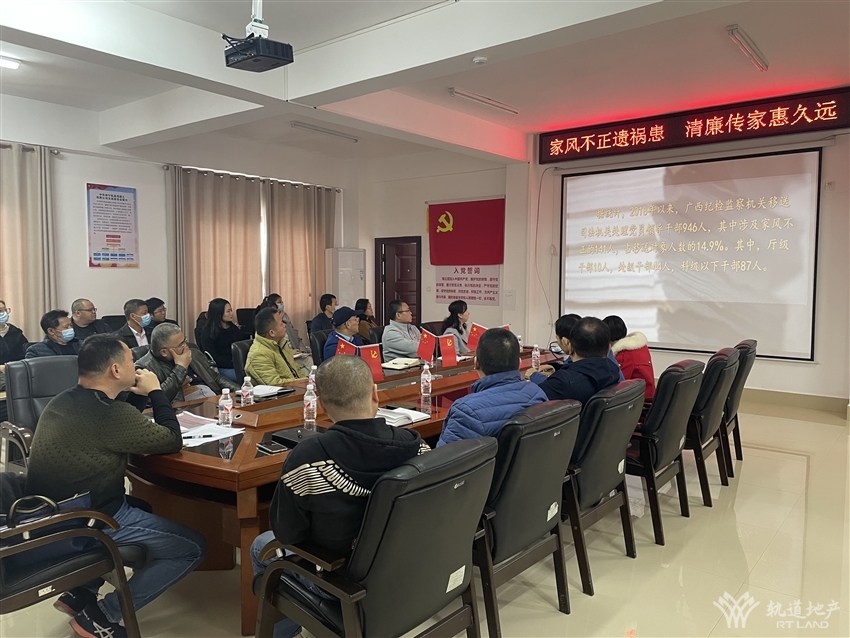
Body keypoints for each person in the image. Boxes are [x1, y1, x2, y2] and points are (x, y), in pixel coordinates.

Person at [24, 334, 206, 638]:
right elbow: (171, 439)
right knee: (193, 547)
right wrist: (156, 391)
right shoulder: (108, 414)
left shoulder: (64, 399)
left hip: (51, 512)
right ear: (116, 370)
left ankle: (80, 592)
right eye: (131, 360)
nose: (137, 365)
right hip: (85, 519)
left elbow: (121, 422)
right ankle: (102, 616)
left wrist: (138, 394)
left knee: (143, 505)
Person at [250, 355, 429, 638]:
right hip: (409, 570)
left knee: (261, 545)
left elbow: (287, 534)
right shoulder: (417, 447)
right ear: (374, 393)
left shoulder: (307, 458)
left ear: (321, 404)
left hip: (341, 583)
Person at [437, 328, 547, 447]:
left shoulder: (466, 412)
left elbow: (444, 458)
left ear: (476, 363)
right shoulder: (538, 394)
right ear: (519, 363)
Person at [526, 316, 621, 404]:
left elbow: (530, 398)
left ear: (570, 347)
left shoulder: (565, 382)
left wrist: (534, 375)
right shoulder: (613, 370)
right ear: (609, 349)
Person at [136, 323, 239, 402]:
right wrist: (180, 367)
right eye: (181, 345)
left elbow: (214, 377)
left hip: (214, 400)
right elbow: (158, 398)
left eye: (185, 341)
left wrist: (240, 391)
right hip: (183, 409)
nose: (186, 347)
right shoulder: (143, 368)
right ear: (164, 352)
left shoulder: (192, 352)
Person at [245, 308, 306, 386]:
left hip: (296, 387)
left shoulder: (281, 343)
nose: (285, 325)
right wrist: (303, 383)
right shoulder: (258, 354)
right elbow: (276, 384)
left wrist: (307, 382)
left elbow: (296, 371)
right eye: (281, 324)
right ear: (272, 333)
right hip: (280, 392)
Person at [604, 315, 656, 400]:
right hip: (646, 394)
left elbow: (618, 384)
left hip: (641, 400)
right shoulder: (640, 347)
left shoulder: (624, 354)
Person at [198, 298, 245, 382]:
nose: (231, 314)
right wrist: (234, 364)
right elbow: (213, 357)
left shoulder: (233, 328)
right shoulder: (208, 332)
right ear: (219, 313)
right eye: (228, 311)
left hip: (238, 364)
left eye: (231, 310)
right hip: (222, 367)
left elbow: (240, 347)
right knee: (243, 377)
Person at [0, 300, 28, 421]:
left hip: (16, 373)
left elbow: (26, 355)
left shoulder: (16, 333)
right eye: (0, 311)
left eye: (5, 310)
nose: (4, 313)